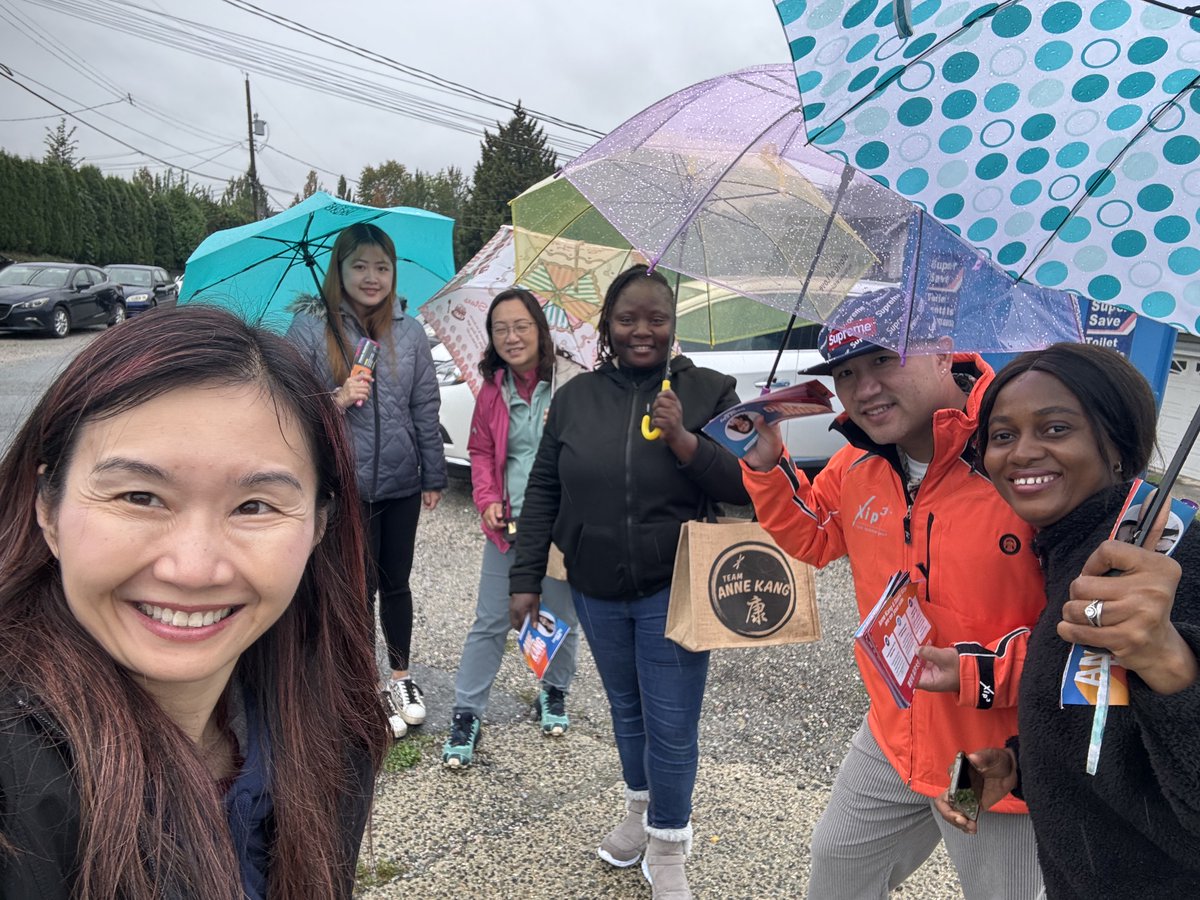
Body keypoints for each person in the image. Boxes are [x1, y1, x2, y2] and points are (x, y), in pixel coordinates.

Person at [0, 306, 388, 899]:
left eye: (254, 506)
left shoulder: (329, 730)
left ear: (318, 526)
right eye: (140, 496)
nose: (194, 569)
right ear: (47, 510)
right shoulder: (16, 783)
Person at [740, 287, 1045, 899]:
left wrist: (972, 671)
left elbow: (1077, 641)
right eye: (847, 372)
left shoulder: (1016, 456)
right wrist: (768, 468)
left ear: (940, 350)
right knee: (837, 873)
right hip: (893, 736)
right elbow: (818, 538)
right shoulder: (857, 464)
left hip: (987, 761)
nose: (866, 387)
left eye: (884, 359)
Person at [508, 264, 749, 899]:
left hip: (677, 586)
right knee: (627, 709)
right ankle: (640, 813)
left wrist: (683, 438)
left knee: (672, 721)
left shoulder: (711, 391)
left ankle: (669, 845)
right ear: (607, 328)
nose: (643, 330)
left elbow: (742, 487)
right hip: (594, 584)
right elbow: (543, 491)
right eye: (627, 319)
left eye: (657, 319)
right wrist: (524, 576)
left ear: (674, 326)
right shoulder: (576, 397)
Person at [935, 342, 1200, 897]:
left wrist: (1175, 666)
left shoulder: (1177, 559)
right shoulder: (1070, 548)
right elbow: (1109, 729)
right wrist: (1021, 765)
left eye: (1055, 429)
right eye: (1003, 436)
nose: (1021, 453)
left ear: (1120, 447)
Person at [287, 222, 447, 739]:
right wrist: (336, 398)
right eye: (360, 266)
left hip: (400, 484)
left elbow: (426, 406)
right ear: (340, 270)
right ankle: (356, 687)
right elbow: (289, 408)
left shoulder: (411, 332)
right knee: (356, 590)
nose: (372, 277)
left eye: (382, 266)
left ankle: (400, 678)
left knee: (396, 583)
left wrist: (433, 472)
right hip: (344, 489)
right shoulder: (312, 331)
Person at [442, 288, 585, 768]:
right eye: (500, 328)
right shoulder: (492, 389)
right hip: (508, 527)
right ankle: (466, 712)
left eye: (521, 325)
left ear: (540, 330)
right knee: (490, 621)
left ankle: (554, 691)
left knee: (558, 619)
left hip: (561, 528)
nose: (511, 336)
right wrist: (485, 499)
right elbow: (480, 451)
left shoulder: (572, 384)